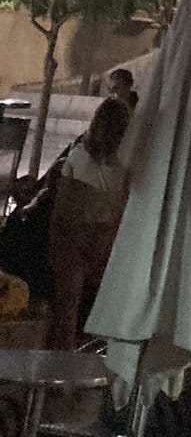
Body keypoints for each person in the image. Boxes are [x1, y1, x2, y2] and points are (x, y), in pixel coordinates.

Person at [47, 97, 129, 346]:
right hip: (107, 248)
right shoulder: (125, 170)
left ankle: (61, 357)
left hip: (71, 244)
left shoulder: (77, 157)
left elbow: (60, 203)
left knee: (65, 308)